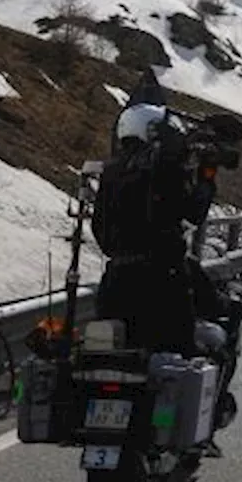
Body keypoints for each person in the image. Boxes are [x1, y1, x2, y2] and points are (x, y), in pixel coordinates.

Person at [91, 102, 218, 355]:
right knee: (182, 354)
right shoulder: (163, 169)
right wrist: (206, 178)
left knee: (114, 356)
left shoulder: (111, 171)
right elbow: (194, 212)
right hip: (163, 282)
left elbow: (99, 228)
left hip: (115, 282)